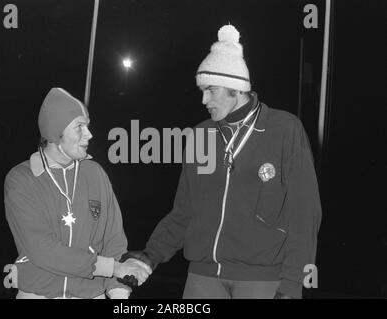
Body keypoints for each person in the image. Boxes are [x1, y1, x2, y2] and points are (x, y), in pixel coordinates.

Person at [121, 24, 322, 299]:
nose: (204, 99)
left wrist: (291, 284)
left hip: (262, 279)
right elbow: (184, 212)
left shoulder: (284, 129)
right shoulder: (201, 135)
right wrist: (150, 254)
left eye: (211, 90)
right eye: (202, 90)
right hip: (202, 279)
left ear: (235, 89)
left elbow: (304, 213)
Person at [4, 88, 151, 299]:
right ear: (56, 133)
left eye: (88, 126)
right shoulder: (22, 179)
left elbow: (114, 242)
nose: (89, 134)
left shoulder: (95, 174)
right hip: (37, 294)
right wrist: (114, 268)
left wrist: (119, 292)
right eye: (79, 127)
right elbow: (43, 250)